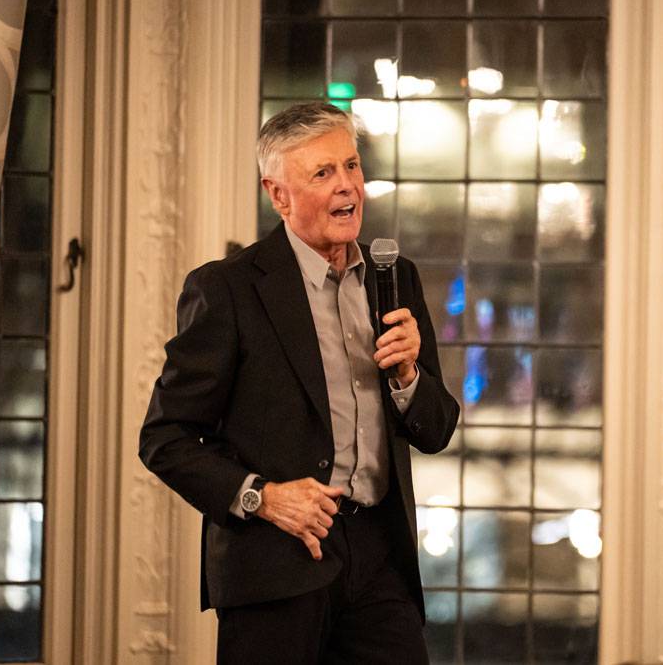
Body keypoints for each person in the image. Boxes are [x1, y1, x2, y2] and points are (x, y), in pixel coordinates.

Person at [139, 102, 460, 664]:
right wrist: (262, 497)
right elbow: (165, 439)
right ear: (278, 195)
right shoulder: (229, 290)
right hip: (276, 558)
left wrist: (410, 375)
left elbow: (435, 431)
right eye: (323, 173)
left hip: (381, 558)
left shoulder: (395, 278)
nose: (348, 188)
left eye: (352, 166)